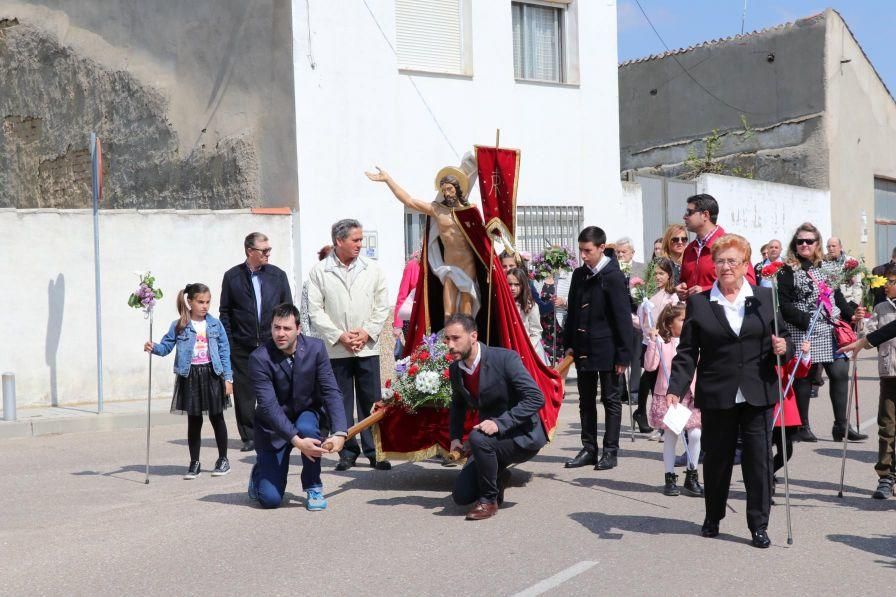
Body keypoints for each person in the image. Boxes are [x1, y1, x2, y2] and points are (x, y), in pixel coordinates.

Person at [666, 233, 790, 548]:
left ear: (745, 264)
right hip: (717, 391)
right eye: (719, 261)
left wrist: (782, 347)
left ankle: (758, 525)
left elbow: (782, 339)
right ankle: (713, 515)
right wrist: (676, 388)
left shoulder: (764, 297)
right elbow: (687, 352)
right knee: (718, 460)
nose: (725, 267)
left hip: (757, 390)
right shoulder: (700, 302)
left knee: (758, 461)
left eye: (732, 261)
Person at [307, 219, 392, 471]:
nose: (360, 244)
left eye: (360, 239)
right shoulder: (319, 271)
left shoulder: (373, 269)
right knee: (340, 400)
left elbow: (381, 305)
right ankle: (347, 450)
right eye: (355, 240)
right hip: (336, 348)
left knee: (371, 400)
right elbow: (315, 310)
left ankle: (375, 450)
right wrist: (339, 335)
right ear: (339, 241)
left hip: (366, 346)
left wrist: (366, 332)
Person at [445, 314, 547, 520]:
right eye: (447, 339)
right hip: (490, 439)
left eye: (456, 338)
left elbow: (536, 397)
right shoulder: (456, 368)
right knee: (461, 496)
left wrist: (500, 423)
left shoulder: (505, 358)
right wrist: (455, 438)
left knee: (477, 439)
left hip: (521, 435)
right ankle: (499, 474)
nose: (450, 345)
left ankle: (488, 501)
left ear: (473, 336)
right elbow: (458, 405)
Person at [247, 303, 347, 510]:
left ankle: (313, 486)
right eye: (276, 328)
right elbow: (268, 406)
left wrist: (340, 432)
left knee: (309, 428)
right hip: (273, 426)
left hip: (305, 413)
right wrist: (296, 440)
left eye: (287, 328)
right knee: (270, 500)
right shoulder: (259, 358)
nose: (280, 334)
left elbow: (330, 391)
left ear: (299, 329)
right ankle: (260, 472)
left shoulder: (315, 348)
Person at [778, 223, 867, 443]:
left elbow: (836, 297)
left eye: (809, 241)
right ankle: (802, 426)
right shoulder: (787, 270)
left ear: (817, 243)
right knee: (805, 377)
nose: (805, 245)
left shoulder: (825, 268)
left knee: (839, 372)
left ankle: (841, 426)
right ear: (795, 244)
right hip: (803, 328)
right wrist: (806, 319)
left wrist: (851, 315)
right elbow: (785, 305)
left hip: (830, 328)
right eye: (800, 241)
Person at [563, 226, 634, 471]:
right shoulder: (579, 274)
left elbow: (622, 318)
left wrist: (624, 354)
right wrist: (569, 343)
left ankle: (610, 451)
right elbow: (572, 311)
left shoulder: (613, 276)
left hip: (608, 348)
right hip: (583, 347)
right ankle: (589, 448)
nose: (583, 255)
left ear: (602, 248)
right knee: (585, 400)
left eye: (588, 250)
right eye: (581, 250)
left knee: (611, 400)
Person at [367, 164, 479, 317]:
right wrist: (388, 180)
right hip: (449, 267)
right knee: (448, 313)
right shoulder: (438, 210)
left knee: (466, 313)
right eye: (444, 190)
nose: (447, 194)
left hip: (468, 265)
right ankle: (446, 341)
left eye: (450, 189)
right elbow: (409, 201)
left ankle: (467, 340)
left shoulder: (470, 211)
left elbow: (482, 239)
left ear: (458, 188)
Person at [145, 283, 233, 479]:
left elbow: (225, 350)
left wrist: (228, 378)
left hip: (212, 373)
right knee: (194, 420)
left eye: (208, 302)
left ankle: (223, 459)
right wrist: (154, 347)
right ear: (190, 302)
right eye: (200, 302)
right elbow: (167, 346)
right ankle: (195, 462)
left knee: (216, 417)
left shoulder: (214, 324)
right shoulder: (180, 325)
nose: (205, 306)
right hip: (190, 375)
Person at [220, 232, 293, 452]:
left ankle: (277, 431)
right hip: (243, 346)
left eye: (269, 250)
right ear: (250, 251)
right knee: (244, 394)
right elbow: (225, 312)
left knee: (277, 391)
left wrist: (286, 340)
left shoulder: (277, 276)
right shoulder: (232, 276)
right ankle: (249, 436)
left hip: (273, 345)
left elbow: (287, 308)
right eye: (264, 250)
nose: (268, 254)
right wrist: (230, 343)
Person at [643, 303, 702, 497]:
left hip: (691, 394)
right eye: (682, 320)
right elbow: (650, 366)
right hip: (669, 396)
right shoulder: (662, 343)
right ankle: (669, 476)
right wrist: (653, 342)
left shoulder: (695, 343)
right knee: (671, 435)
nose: (686, 323)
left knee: (695, 434)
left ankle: (692, 473)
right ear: (669, 324)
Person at [677, 193, 756, 300]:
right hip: (695, 313)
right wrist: (681, 288)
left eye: (689, 212)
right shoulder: (689, 249)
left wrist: (707, 290)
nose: (684, 217)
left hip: (723, 311)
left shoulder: (732, 245)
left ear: (705, 215)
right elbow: (684, 280)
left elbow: (749, 282)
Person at [634, 257, 679, 433]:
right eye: (655, 273)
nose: (658, 277)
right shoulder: (647, 295)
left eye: (661, 273)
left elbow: (673, 320)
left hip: (667, 343)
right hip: (650, 342)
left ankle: (665, 420)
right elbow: (642, 321)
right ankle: (655, 417)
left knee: (664, 382)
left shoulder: (672, 296)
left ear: (669, 275)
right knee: (652, 379)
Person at [862, 265, 896, 499]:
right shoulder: (882, 307)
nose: (886, 285)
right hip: (890, 373)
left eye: (891, 281)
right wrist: (858, 321)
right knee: (887, 426)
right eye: (885, 281)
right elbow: (866, 336)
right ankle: (886, 476)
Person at [507, 267, 546, 363]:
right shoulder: (503, 304)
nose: (512, 288)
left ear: (523, 285)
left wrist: (526, 349)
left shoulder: (530, 306)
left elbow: (536, 331)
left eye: (516, 285)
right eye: (509, 284)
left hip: (528, 351)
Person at [299, 245, 333, 339]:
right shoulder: (310, 283)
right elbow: (304, 315)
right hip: (317, 340)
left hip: (338, 340)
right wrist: (307, 340)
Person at [392, 249, 422, 356]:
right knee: (415, 354)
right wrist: (397, 325)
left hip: (430, 319)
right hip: (411, 320)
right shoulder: (412, 266)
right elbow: (402, 296)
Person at [826, 237, 862, 307]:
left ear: (840, 247)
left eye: (833, 246)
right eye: (828, 246)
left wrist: (854, 303)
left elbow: (857, 285)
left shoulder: (851, 261)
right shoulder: (823, 263)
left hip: (847, 301)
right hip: (830, 304)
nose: (831, 248)